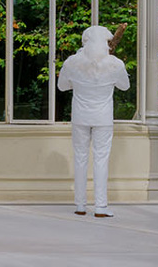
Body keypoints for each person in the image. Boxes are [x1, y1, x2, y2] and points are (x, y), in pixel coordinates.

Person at [57, 25, 129, 217]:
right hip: (103, 117)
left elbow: (62, 86)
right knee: (101, 160)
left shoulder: (72, 62)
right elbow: (124, 86)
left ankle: (80, 205)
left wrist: (77, 83)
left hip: (80, 116)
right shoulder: (115, 64)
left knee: (80, 158)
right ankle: (100, 206)